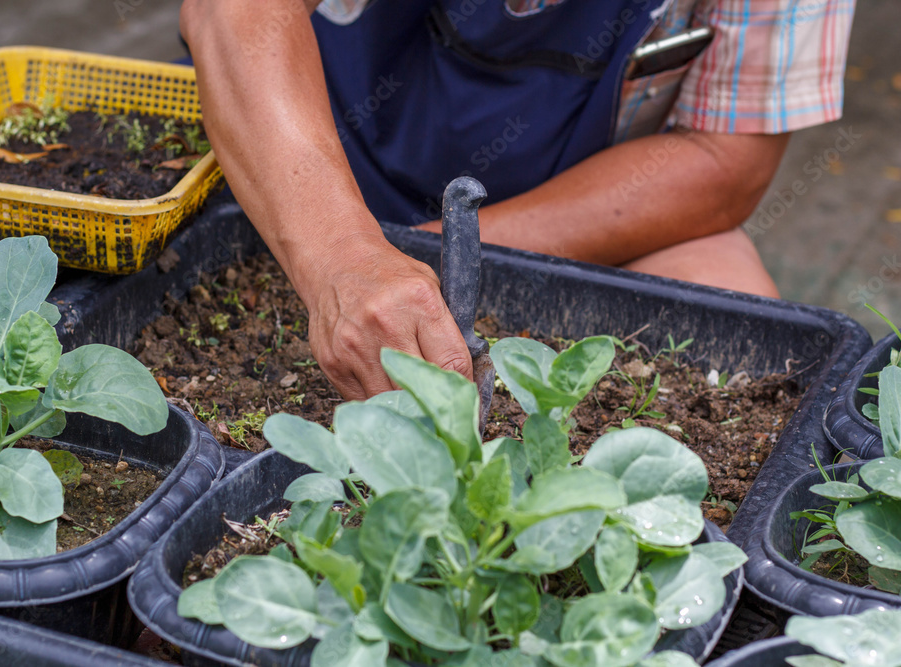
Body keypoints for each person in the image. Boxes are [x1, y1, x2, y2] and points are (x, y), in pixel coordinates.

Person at [179, 0, 855, 401]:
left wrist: (436, 257)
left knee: (744, 343)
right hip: (311, 174)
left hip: (573, 204)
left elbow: (723, 163)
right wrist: (340, 253)